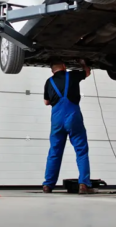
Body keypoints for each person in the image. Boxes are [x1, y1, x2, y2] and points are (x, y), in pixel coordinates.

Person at [42, 58, 94, 194]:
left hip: (57, 119)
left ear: (52, 70)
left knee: (54, 152)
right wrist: (83, 63)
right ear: (64, 66)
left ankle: (48, 185)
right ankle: (83, 184)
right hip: (73, 116)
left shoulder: (49, 82)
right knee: (81, 150)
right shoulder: (72, 75)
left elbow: (46, 102)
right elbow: (87, 72)